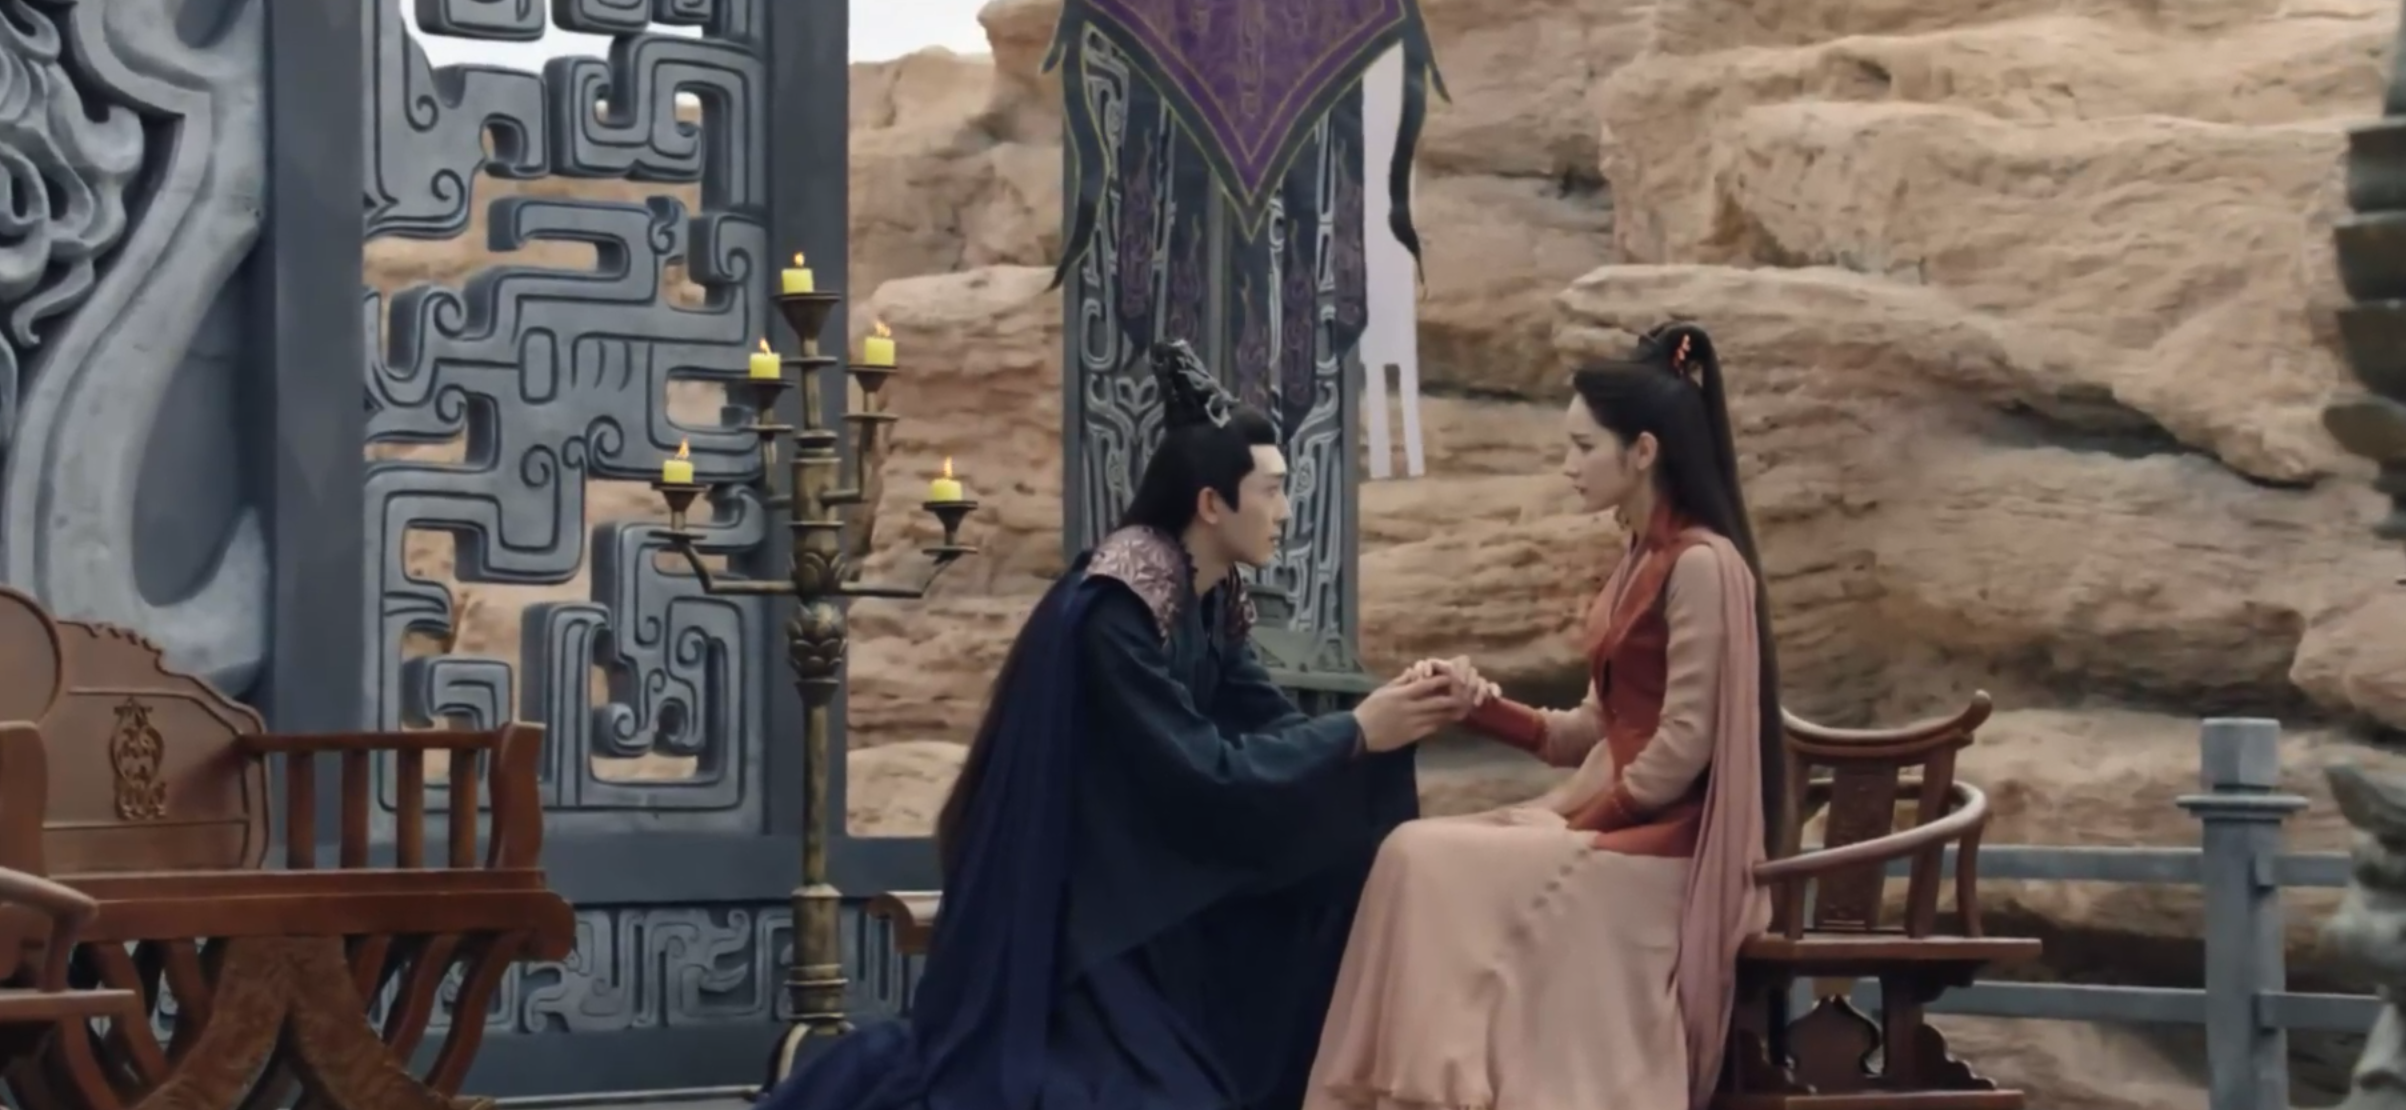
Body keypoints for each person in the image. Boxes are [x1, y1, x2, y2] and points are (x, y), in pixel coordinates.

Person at [758, 340, 1463, 1110]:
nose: (1286, 511)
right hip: (1074, 908)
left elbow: (1269, 726)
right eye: (1272, 491)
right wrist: (1359, 731)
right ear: (1211, 505)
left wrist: (1401, 713)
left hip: (1139, 889)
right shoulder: (1115, 611)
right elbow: (1201, 770)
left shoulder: (1206, 598)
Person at [1302, 322, 1785, 1110]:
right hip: (1612, 823)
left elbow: (1684, 744)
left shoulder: (1701, 563)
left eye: (1583, 446)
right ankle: (1411, 1092)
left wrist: (1581, 823)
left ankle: (1437, 1090)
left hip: (1663, 848)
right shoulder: (1637, 561)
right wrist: (1475, 705)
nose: (1568, 465)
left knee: (1425, 858)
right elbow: (1586, 732)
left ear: (1643, 451)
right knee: (1407, 853)